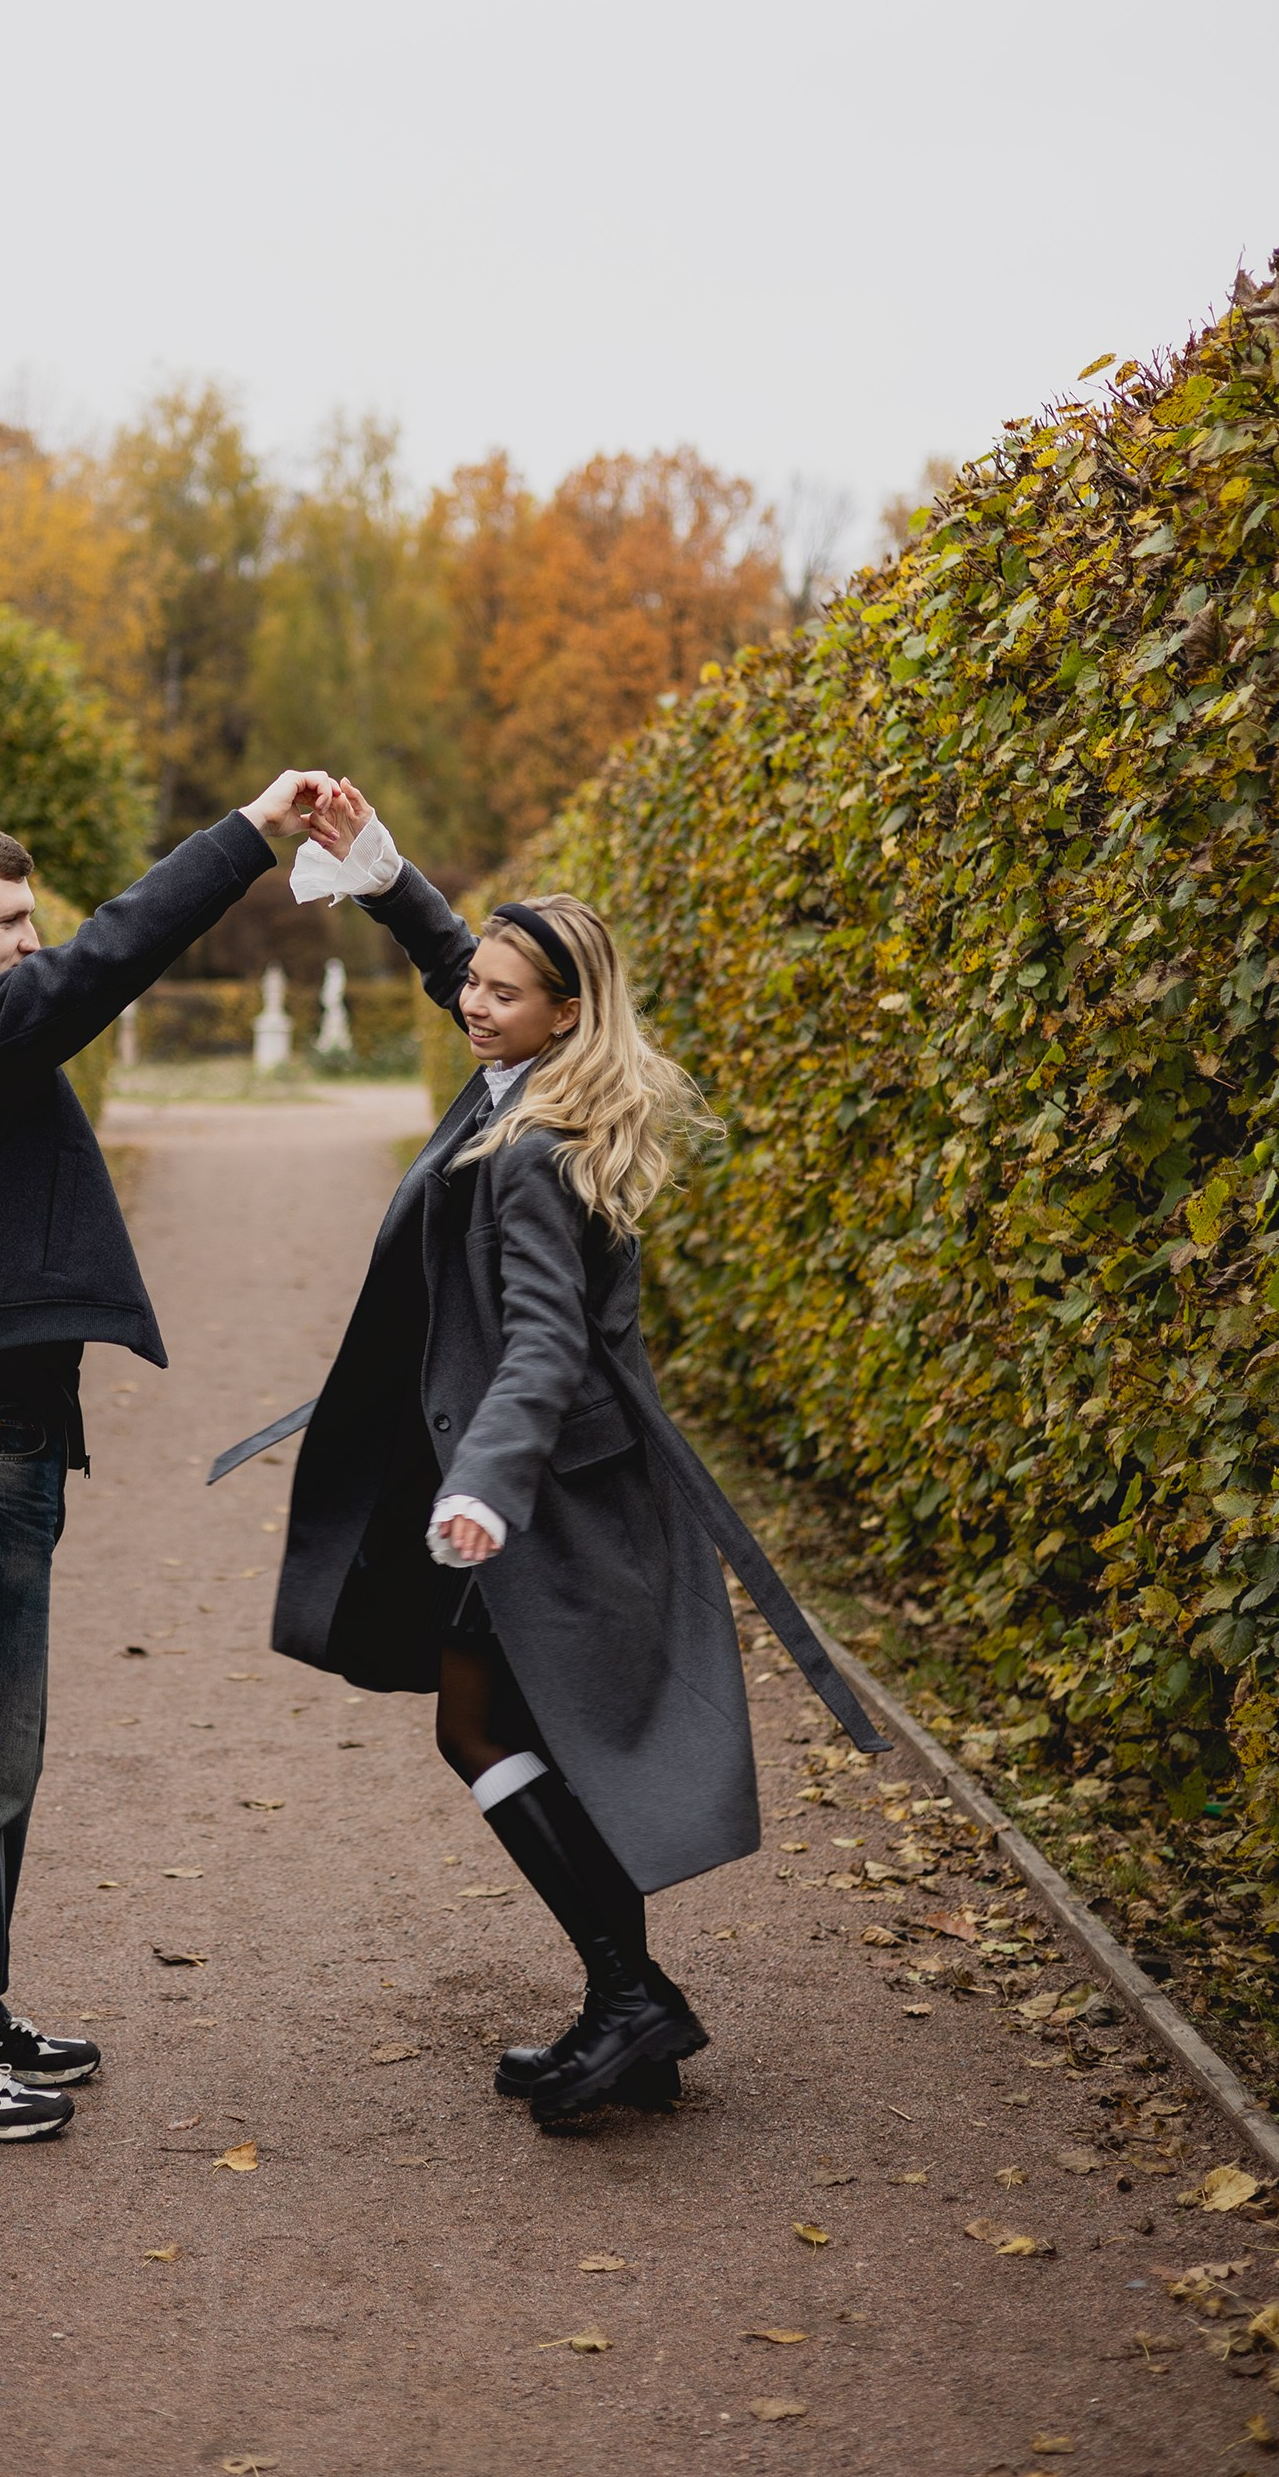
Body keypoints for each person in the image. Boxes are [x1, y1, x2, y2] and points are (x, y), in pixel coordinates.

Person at [239, 783, 885, 2123]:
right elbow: (475, 966)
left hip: (550, 1497)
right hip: (560, 1486)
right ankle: (623, 2006)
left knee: (479, 1724)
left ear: (565, 1017)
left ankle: (633, 2001)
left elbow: (543, 1345)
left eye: (502, 993)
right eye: (472, 983)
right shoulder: (535, 1078)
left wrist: (484, 1480)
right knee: (505, 1728)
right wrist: (384, 872)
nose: (474, 1003)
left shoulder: (532, 1148)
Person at [0, 769, 340, 2143]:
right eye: (8, 918)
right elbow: (102, 966)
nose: (32, 939)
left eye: (32, 915)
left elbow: (63, 985)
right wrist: (247, 833)